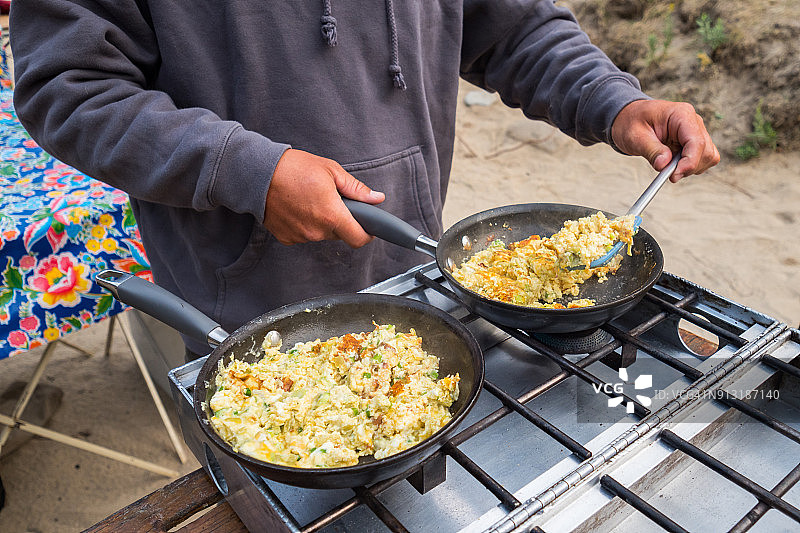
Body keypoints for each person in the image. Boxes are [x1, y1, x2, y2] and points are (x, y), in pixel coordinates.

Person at [10, 1, 719, 357]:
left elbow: (514, 26)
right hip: (246, 308)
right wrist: (249, 171)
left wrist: (615, 99)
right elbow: (70, 87)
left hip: (416, 276)